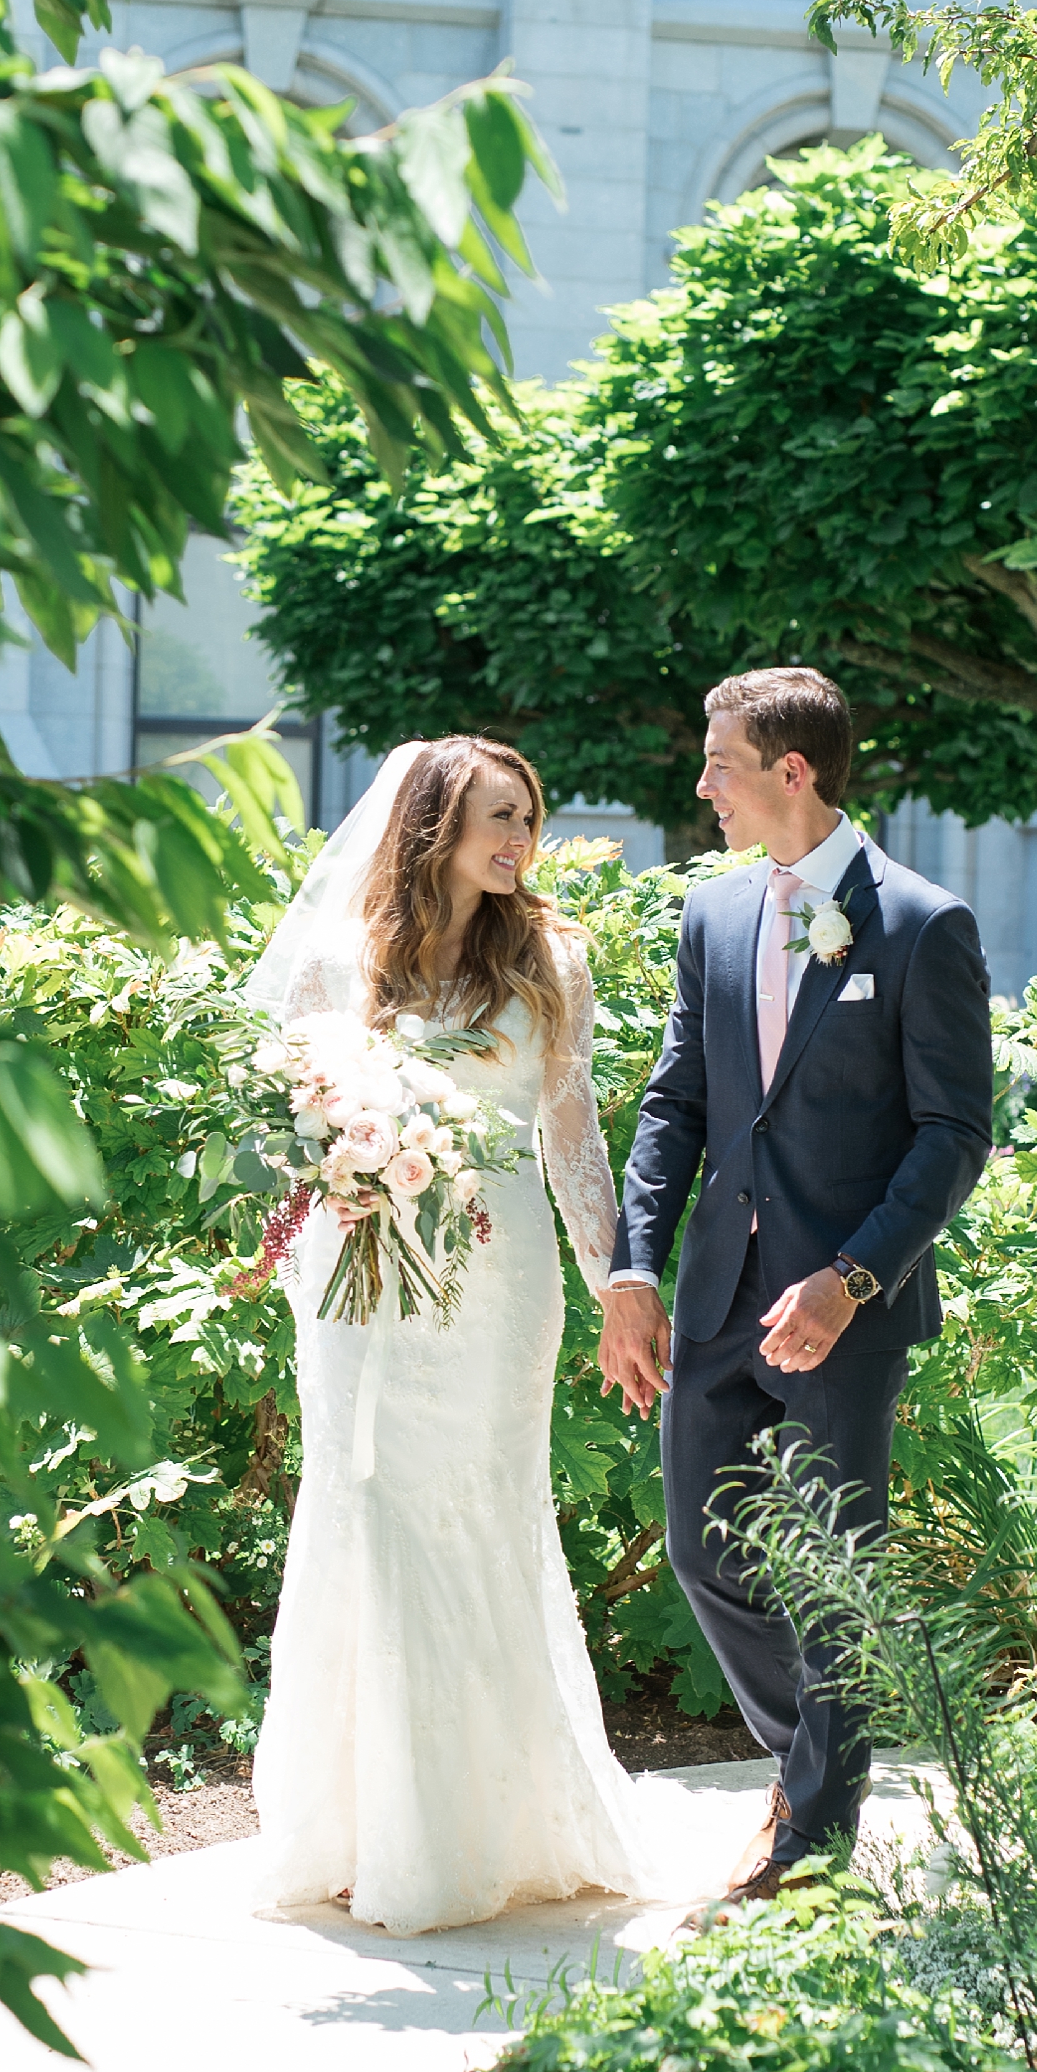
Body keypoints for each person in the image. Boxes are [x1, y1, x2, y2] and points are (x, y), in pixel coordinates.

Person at [601, 667, 994, 1908]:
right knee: (703, 1550)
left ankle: (813, 1838)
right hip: (718, 1296)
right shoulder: (712, 918)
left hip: (843, 1309)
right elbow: (675, 1104)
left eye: (720, 762)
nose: (702, 784)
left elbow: (950, 1133)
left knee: (835, 1562)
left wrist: (853, 1277)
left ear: (792, 772)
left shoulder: (922, 925)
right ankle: (807, 1765)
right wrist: (633, 1263)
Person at [246, 737, 648, 1933]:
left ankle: (490, 1831)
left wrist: (619, 1280)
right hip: (362, 1269)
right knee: (364, 1502)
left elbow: (567, 1132)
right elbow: (286, 1119)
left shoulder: (550, 958)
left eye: (525, 815)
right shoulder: (342, 958)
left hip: (499, 1270)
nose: (517, 840)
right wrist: (277, 1232)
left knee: (478, 1508)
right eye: (494, 818)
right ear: (432, 828)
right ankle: (356, 1831)